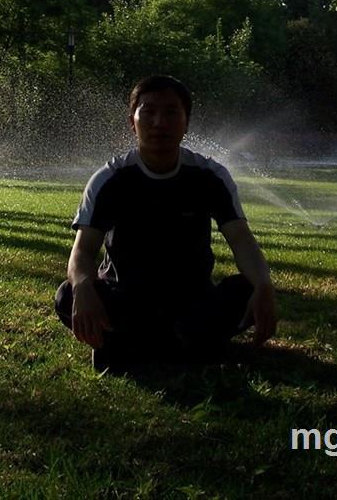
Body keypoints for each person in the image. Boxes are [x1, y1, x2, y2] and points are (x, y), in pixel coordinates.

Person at [54, 75, 278, 371]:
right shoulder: (110, 179)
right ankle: (186, 344)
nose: (160, 122)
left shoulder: (210, 177)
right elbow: (82, 252)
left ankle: (135, 345)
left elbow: (241, 240)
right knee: (67, 294)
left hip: (193, 299)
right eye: (148, 112)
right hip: (126, 299)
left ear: (186, 122)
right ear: (132, 121)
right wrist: (83, 286)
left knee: (249, 289)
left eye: (172, 112)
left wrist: (263, 284)